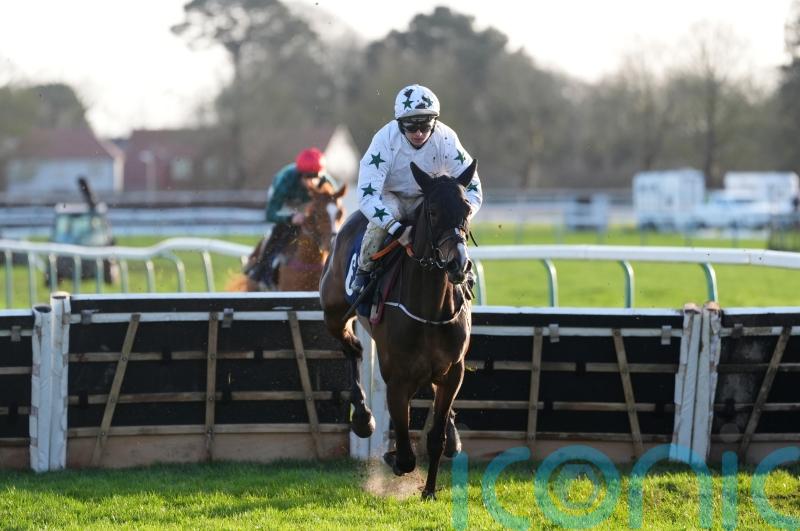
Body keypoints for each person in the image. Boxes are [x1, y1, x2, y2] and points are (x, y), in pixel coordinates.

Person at [351, 83, 483, 295]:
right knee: (384, 221)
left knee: (451, 218)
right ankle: (364, 270)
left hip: (428, 196)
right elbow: (367, 197)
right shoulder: (383, 141)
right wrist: (397, 230)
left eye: (425, 126)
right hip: (391, 196)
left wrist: (463, 214)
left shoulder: (447, 138)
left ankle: (463, 268)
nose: (419, 133)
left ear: (434, 123)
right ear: (400, 124)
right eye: (411, 127)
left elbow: (474, 188)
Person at [247, 147, 337, 288]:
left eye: (316, 176)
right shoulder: (286, 180)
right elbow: (270, 213)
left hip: (309, 206)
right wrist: (290, 218)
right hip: (285, 204)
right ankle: (260, 271)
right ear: (300, 174)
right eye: (308, 177)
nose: (312, 181)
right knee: (278, 232)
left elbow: (334, 208)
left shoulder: (327, 182)